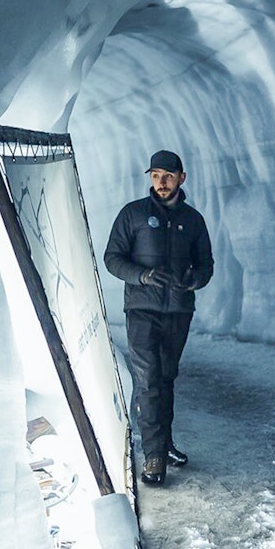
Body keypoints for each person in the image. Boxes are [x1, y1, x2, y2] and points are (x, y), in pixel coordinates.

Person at [104, 149, 215, 486]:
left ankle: (164, 444)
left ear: (181, 177)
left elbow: (207, 265)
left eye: (167, 176)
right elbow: (113, 258)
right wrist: (144, 276)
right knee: (149, 378)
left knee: (166, 376)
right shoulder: (133, 214)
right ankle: (153, 453)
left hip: (179, 311)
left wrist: (194, 279)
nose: (161, 182)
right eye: (155, 176)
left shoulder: (193, 220)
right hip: (141, 309)